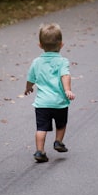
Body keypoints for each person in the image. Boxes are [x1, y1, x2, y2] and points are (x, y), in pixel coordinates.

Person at [24, 23, 76, 162]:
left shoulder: (36, 62)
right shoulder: (62, 61)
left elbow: (30, 78)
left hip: (42, 103)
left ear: (40, 45)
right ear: (61, 44)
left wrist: (28, 88)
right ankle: (58, 142)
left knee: (41, 128)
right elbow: (65, 75)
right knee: (61, 124)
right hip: (59, 102)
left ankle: (39, 151)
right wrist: (67, 90)